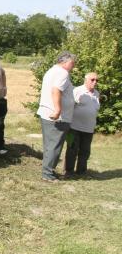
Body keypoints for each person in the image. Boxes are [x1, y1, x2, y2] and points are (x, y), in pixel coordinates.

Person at [37, 51, 77, 182]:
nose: (74, 65)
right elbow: (56, 90)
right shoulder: (63, 73)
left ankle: (48, 171)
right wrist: (58, 110)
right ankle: (48, 174)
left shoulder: (52, 71)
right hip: (57, 117)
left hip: (46, 113)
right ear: (65, 62)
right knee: (54, 145)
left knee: (50, 145)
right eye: (72, 62)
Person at [64, 72, 100, 176]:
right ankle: (68, 172)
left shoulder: (96, 94)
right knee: (71, 150)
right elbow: (69, 107)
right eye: (92, 79)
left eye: (97, 80)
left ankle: (81, 172)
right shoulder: (77, 90)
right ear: (86, 80)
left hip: (89, 129)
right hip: (73, 127)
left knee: (85, 152)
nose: (95, 82)